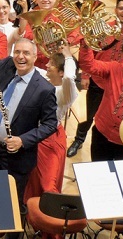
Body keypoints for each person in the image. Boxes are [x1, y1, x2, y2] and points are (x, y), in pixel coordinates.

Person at [0, 15, 58, 237]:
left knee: (14, 201)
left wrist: (23, 140)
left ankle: (12, 234)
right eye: (17, 52)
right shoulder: (7, 65)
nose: (21, 57)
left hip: (17, 154)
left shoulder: (44, 89)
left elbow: (50, 124)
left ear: (36, 57)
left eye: (26, 53)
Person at [68, 0, 123, 158]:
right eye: (122, 8)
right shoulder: (103, 27)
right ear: (115, 10)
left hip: (122, 84)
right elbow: (91, 50)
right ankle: (79, 139)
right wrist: (85, 75)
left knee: (116, 116)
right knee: (88, 114)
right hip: (99, 80)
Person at [24, 45, 78, 215]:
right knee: (30, 181)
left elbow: (69, 77)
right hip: (33, 136)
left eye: (52, 64)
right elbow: (30, 66)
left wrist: (68, 56)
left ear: (61, 71)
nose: (46, 65)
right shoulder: (42, 79)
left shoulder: (67, 92)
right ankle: (33, 217)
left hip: (51, 140)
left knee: (48, 184)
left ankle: (51, 226)